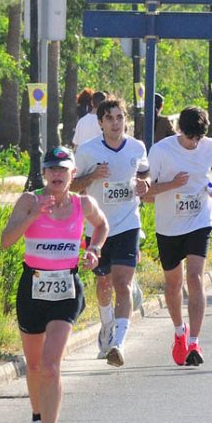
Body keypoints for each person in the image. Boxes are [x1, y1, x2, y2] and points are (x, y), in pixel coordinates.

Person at [0, 146, 108, 423]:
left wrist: (94, 250)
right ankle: (37, 417)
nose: (57, 176)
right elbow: (6, 240)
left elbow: (102, 226)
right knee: (33, 367)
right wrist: (33, 216)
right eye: (51, 170)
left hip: (65, 288)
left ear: (73, 175)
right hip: (32, 287)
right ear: (44, 175)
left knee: (51, 366)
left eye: (63, 170)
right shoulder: (29, 201)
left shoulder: (83, 203)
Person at [144, 106, 212, 366]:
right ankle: (179, 332)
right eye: (190, 137)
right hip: (168, 225)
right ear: (181, 130)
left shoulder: (210, 146)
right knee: (173, 283)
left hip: (199, 219)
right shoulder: (161, 151)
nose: (194, 143)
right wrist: (172, 185)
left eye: (198, 137)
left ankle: (194, 343)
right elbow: (146, 195)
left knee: (195, 277)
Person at [71, 96, 151, 366]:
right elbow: (71, 186)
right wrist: (92, 176)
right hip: (96, 226)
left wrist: (145, 185)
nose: (116, 123)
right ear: (100, 123)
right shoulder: (87, 151)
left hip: (128, 223)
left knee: (122, 283)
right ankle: (106, 326)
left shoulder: (137, 147)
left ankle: (118, 343)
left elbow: (145, 174)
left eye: (120, 118)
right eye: (110, 118)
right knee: (103, 282)